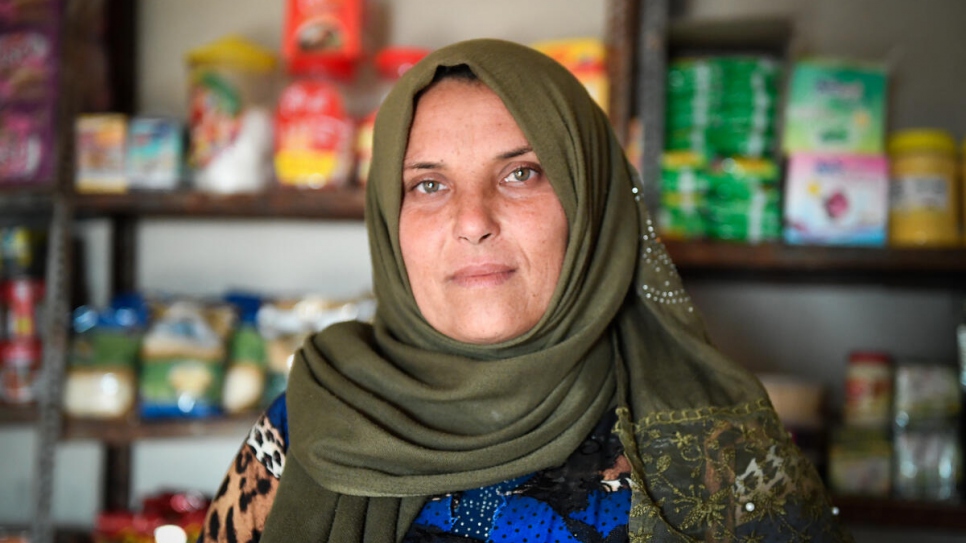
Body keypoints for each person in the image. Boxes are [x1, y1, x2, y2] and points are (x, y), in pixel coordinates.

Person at [198, 38, 853, 543]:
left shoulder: (719, 443)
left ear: (589, 202)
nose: (473, 221)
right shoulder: (316, 413)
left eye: (521, 173)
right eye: (428, 184)